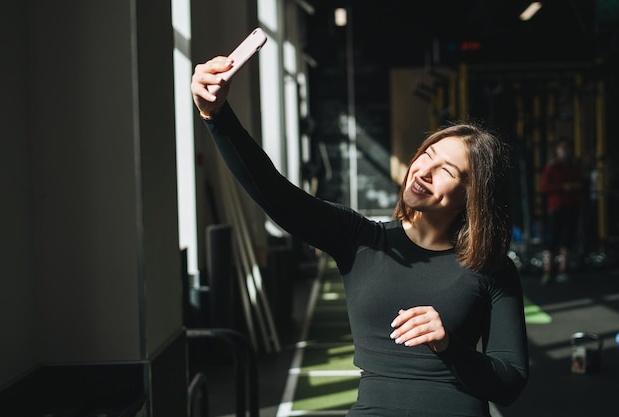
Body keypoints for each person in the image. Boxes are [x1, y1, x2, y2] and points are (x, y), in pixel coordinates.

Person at [191, 56, 529, 417]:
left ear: (472, 194)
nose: (424, 170)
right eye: (426, 155)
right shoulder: (360, 238)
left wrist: (449, 344)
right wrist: (217, 116)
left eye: (445, 170)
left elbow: (508, 383)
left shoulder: (491, 268)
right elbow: (275, 193)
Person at [539, 138, 583, 285]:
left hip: (571, 206)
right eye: (562, 147)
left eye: (567, 147)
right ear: (557, 150)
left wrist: (574, 187)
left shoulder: (573, 166)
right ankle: (548, 271)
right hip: (556, 207)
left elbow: (580, 183)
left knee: (567, 239)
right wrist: (563, 187)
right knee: (552, 239)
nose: (565, 150)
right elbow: (545, 187)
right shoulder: (552, 167)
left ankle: (564, 270)